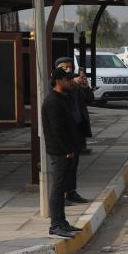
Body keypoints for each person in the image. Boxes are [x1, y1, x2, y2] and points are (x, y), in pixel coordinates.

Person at [41, 68, 83, 239]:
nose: (70, 82)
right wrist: (67, 150)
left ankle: (63, 222)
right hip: (60, 151)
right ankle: (55, 224)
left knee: (63, 187)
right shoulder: (52, 101)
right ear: (58, 81)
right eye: (67, 79)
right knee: (58, 189)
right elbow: (57, 130)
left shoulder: (63, 98)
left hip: (67, 149)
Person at [55, 57, 90, 205]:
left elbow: (90, 99)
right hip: (64, 130)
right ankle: (60, 196)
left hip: (77, 128)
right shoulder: (57, 83)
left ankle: (71, 192)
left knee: (74, 163)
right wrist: (73, 83)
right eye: (64, 67)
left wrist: (85, 86)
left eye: (70, 67)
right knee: (63, 165)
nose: (67, 70)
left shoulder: (74, 83)